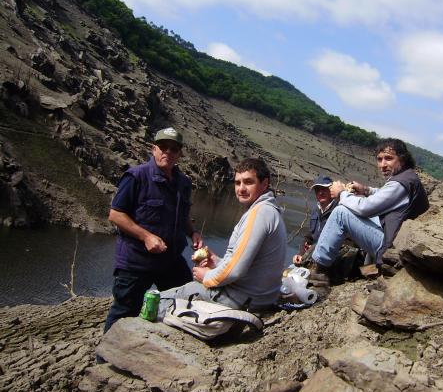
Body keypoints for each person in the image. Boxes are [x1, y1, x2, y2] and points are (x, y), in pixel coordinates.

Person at [103, 127, 203, 333]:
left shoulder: (184, 183)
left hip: (170, 260)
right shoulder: (136, 176)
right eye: (163, 147)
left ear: (179, 154)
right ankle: (106, 352)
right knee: (124, 312)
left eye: (173, 149)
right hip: (136, 261)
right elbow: (115, 214)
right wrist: (146, 236)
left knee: (186, 300)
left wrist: (192, 232)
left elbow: (183, 215)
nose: (168, 152)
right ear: (154, 149)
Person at [157, 157, 287, 313]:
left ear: (264, 183)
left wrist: (207, 276)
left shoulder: (259, 214)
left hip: (241, 299)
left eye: (248, 182)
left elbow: (235, 271)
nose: (241, 189)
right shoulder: (268, 210)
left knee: (158, 300)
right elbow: (245, 264)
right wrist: (216, 261)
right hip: (257, 297)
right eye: (237, 183)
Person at [310, 138, 429, 289]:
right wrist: (366, 190)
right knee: (353, 206)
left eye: (388, 158)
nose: (383, 165)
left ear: (402, 159)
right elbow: (385, 195)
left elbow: (365, 208)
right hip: (400, 243)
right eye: (379, 159)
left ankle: (319, 271)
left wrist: (342, 194)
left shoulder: (400, 183)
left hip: (392, 251)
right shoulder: (408, 177)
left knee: (341, 212)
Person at [292, 175, 337, 265]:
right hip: (312, 256)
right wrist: (301, 254)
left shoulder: (339, 211)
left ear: (331, 190)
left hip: (330, 261)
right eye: (317, 190)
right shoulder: (315, 211)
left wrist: (313, 249)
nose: (320, 192)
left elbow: (342, 242)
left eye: (324, 189)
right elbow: (309, 236)